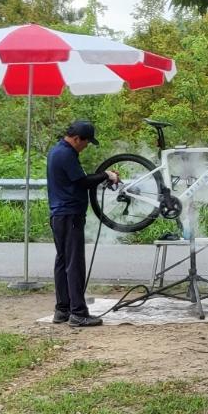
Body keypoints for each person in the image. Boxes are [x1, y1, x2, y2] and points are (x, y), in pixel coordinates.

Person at [46, 119, 119, 327]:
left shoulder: (56, 151)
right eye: (86, 142)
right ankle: (78, 313)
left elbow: (78, 180)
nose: (86, 146)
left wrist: (100, 177)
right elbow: (83, 182)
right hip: (70, 216)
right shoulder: (66, 154)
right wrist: (106, 175)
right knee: (74, 264)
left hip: (59, 215)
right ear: (77, 139)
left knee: (62, 262)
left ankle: (62, 310)